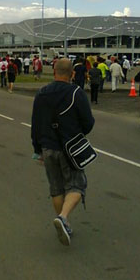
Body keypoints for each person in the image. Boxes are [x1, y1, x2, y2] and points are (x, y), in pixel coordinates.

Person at [31, 59, 95, 246]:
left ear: (54, 71)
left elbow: (35, 123)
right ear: (72, 74)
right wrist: (77, 133)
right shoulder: (77, 93)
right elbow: (88, 123)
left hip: (48, 147)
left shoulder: (41, 93)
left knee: (56, 187)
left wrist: (37, 149)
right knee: (77, 185)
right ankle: (64, 217)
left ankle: (63, 221)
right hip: (70, 148)